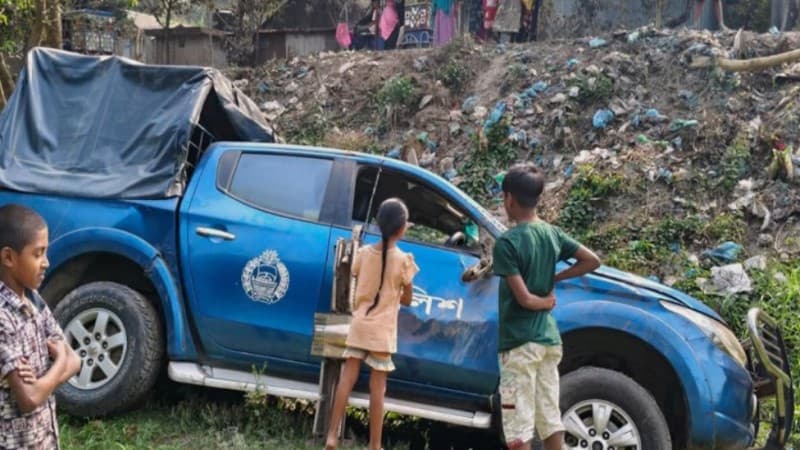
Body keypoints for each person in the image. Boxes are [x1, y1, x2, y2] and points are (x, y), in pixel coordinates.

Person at [492, 164, 601, 450]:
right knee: (550, 419)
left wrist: (545, 301)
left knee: (519, 429)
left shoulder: (507, 243)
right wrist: (557, 276)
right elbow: (592, 260)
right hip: (549, 341)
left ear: (509, 199)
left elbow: (525, 299)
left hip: (519, 344)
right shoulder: (552, 234)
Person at [325, 198, 419, 450]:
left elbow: (355, 272)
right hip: (382, 331)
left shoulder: (365, 253)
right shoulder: (404, 261)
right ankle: (375, 445)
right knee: (378, 389)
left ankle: (332, 435)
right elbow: (408, 299)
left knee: (346, 379)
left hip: (360, 324)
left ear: (378, 225)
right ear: (401, 229)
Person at [0, 204, 81, 449]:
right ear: (8, 258)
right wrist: (58, 362)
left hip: (44, 439)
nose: (46, 262)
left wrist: (42, 381)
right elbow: (30, 398)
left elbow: (76, 360)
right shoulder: (3, 318)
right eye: (38, 254)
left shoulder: (33, 299)